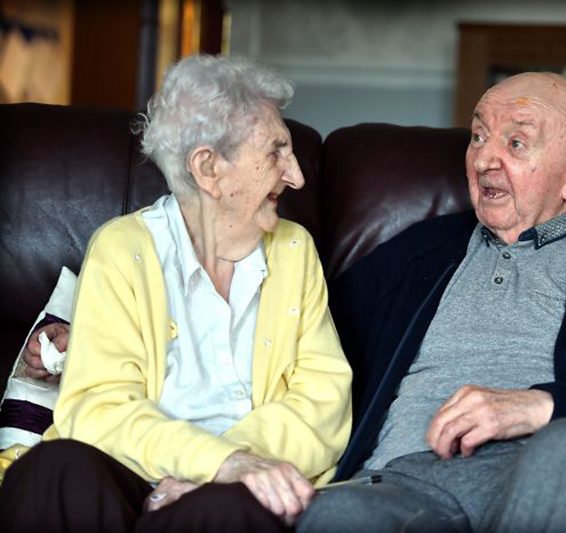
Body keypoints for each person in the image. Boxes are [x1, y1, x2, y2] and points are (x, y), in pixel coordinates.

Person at [297, 73, 566, 532]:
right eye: (479, 136)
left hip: (545, 470)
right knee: (338, 514)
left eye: (516, 143)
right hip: (403, 481)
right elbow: (304, 339)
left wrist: (543, 406)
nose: (484, 159)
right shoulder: (419, 251)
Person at [0, 55, 352, 532]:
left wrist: (226, 472)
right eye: (275, 153)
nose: (296, 176)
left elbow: (323, 402)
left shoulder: (293, 251)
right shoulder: (122, 249)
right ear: (208, 169)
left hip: (241, 485)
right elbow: (97, 410)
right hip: (127, 472)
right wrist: (216, 461)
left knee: (231, 510)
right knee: (50, 472)